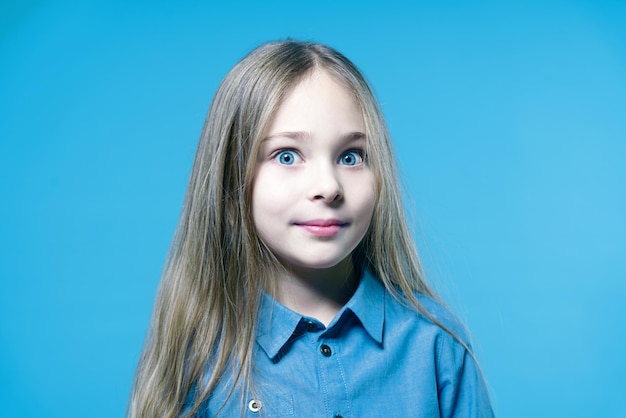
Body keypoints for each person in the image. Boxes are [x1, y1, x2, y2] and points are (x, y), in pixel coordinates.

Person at [129, 40, 494, 418]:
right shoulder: (201, 358)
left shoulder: (436, 346)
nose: (329, 186)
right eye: (287, 155)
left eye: (350, 157)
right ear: (233, 176)